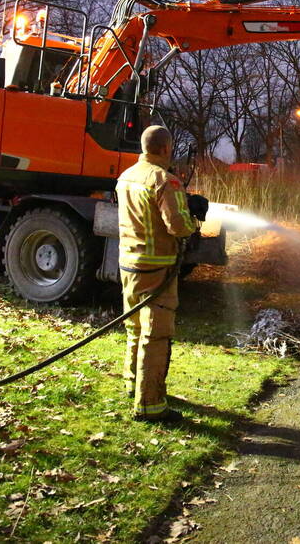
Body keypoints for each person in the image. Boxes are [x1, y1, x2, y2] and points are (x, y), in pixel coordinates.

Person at [116, 126, 199, 422]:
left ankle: (133, 383)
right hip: (157, 269)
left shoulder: (126, 176)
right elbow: (177, 226)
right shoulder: (165, 180)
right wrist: (193, 219)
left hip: (128, 264)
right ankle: (150, 404)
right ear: (165, 149)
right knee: (156, 334)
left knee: (134, 329)